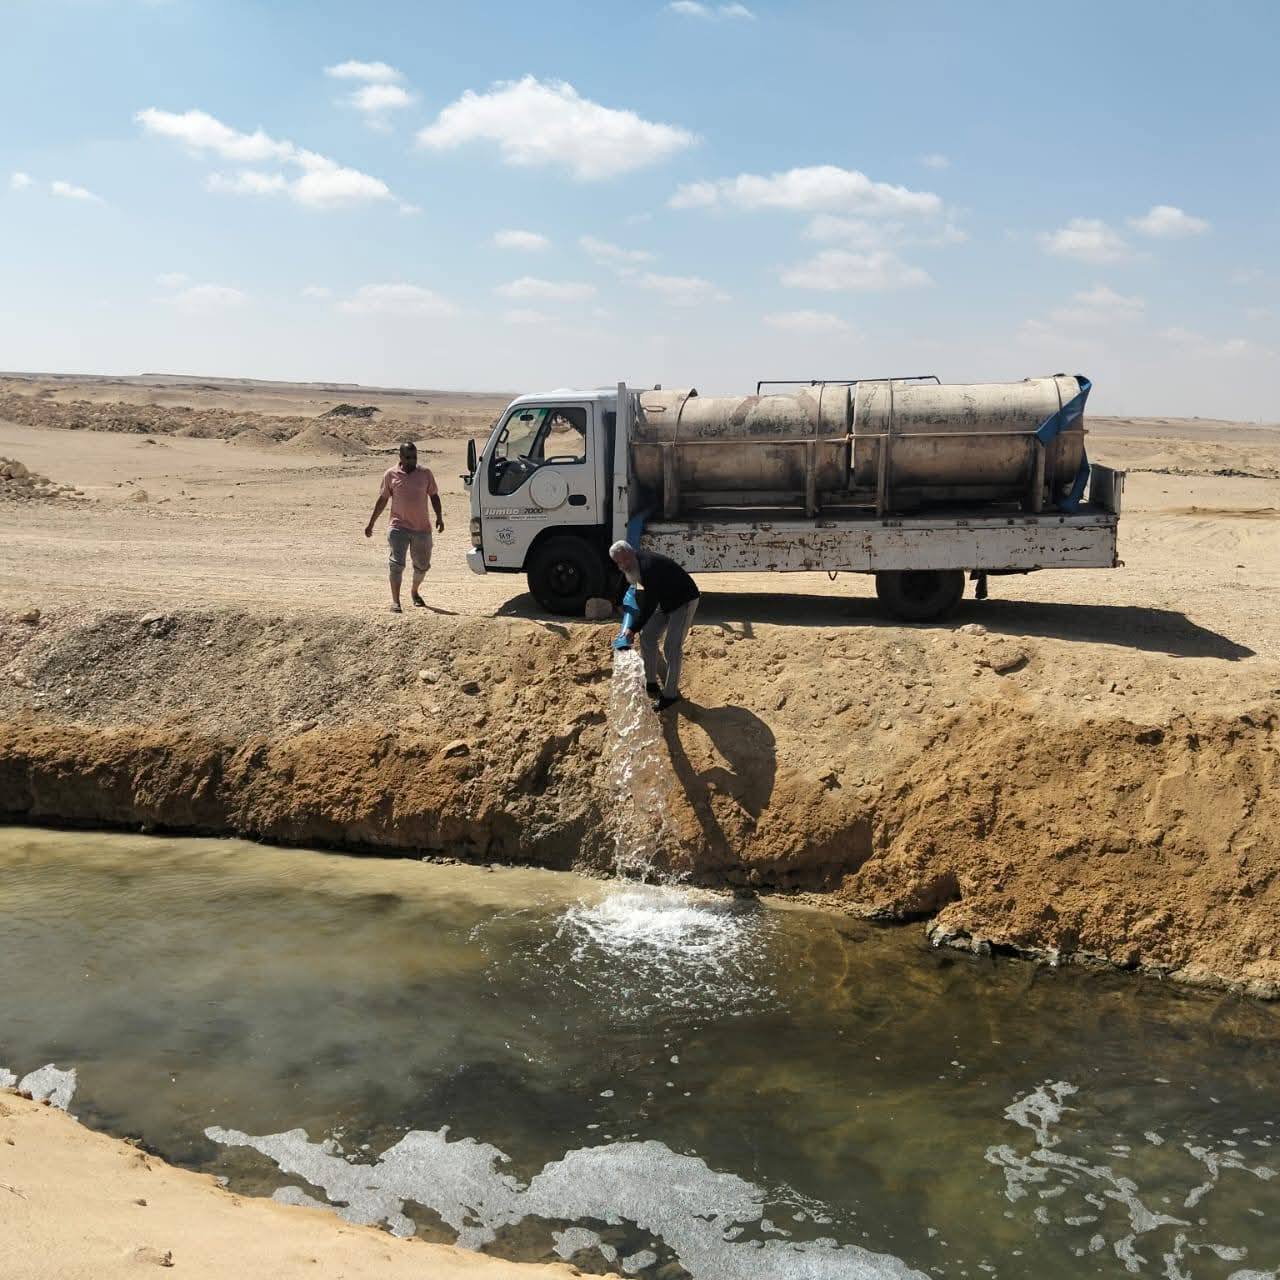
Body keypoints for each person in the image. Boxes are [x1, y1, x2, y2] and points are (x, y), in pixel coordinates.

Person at [609, 540, 700, 711]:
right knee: (647, 636)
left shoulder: (648, 567)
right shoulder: (631, 565)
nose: (623, 565)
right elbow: (625, 578)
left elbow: (649, 604)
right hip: (665, 600)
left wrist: (632, 629)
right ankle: (651, 683)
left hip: (684, 601)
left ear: (631, 553)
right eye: (619, 563)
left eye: (625, 560)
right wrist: (617, 600)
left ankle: (670, 696)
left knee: (671, 648)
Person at [364, 442, 443, 613]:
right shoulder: (390, 474)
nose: (412, 461)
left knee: (422, 565)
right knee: (396, 564)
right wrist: (371, 523)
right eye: (408, 457)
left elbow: (434, 496)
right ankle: (396, 602)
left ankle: (414, 591)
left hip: (422, 528)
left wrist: (439, 517)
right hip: (398, 526)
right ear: (400, 457)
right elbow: (383, 499)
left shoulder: (425, 474)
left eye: (414, 457)